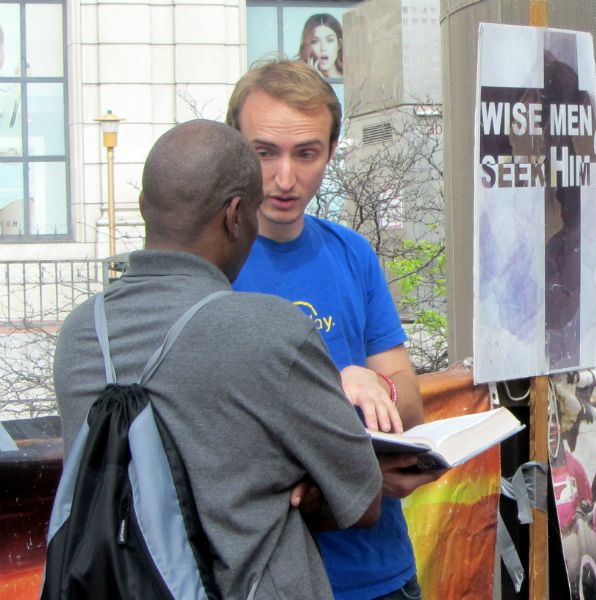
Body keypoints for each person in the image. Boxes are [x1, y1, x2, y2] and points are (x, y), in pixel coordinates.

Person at [53, 119, 384, 600]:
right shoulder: (272, 331)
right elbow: (363, 499)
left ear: (145, 208)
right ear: (235, 215)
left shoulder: (81, 332)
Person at [227, 59, 441, 600]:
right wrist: (337, 380)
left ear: (331, 151)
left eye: (306, 154)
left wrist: (379, 387)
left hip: (378, 571)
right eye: (264, 152)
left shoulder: (351, 252)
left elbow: (409, 407)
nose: (284, 178)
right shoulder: (214, 263)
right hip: (265, 578)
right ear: (234, 149)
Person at [298, 13, 343, 79]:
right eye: (315, 41)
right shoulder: (300, 81)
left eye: (329, 40)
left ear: (339, 44)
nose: (323, 48)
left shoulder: (352, 81)